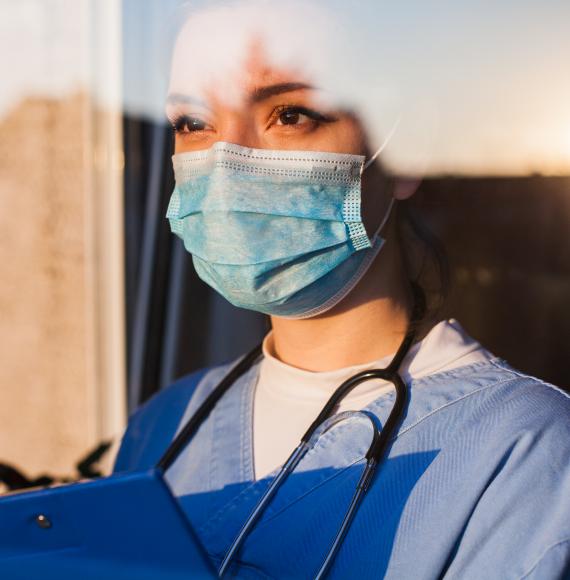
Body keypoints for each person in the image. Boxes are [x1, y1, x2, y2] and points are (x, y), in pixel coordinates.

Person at [114, 1, 570, 578]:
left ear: (407, 145)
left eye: (291, 113)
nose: (229, 163)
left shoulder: (522, 452)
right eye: (193, 123)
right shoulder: (164, 427)